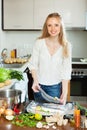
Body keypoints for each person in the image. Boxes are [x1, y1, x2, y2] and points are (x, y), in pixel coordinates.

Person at [28, 12, 72, 105]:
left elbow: (66, 71)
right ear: (46, 27)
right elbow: (33, 65)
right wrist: (35, 81)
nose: (53, 29)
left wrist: (64, 93)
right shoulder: (39, 43)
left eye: (56, 25)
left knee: (53, 117)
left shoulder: (66, 46)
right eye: (49, 25)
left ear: (61, 27)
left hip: (55, 88)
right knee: (38, 116)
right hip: (39, 87)